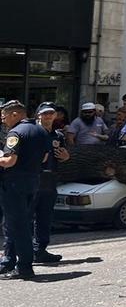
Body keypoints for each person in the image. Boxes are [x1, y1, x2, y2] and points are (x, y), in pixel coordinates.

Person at [0, 100, 52, 279]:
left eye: (5, 116)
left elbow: (9, 161)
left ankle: (24, 267)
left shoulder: (15, 133)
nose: (3, 120)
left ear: (15, 114)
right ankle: (8, 262)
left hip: (14, 184)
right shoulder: (41, 130)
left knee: (17, 226)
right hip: (32, 182)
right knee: (20, 223)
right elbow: (45, 158)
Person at [32, 103, 69, 264]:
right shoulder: (30, 133)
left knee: (45, 217)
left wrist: (66, 156)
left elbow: (63, 155)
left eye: (51, 113)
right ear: (38, 115)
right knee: (27, 217)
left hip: (50, 179)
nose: (48, 116)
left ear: (55, 116)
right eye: (45, 113)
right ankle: (25, 251)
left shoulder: (58, 136)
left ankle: (40, 250)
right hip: (32, 179)